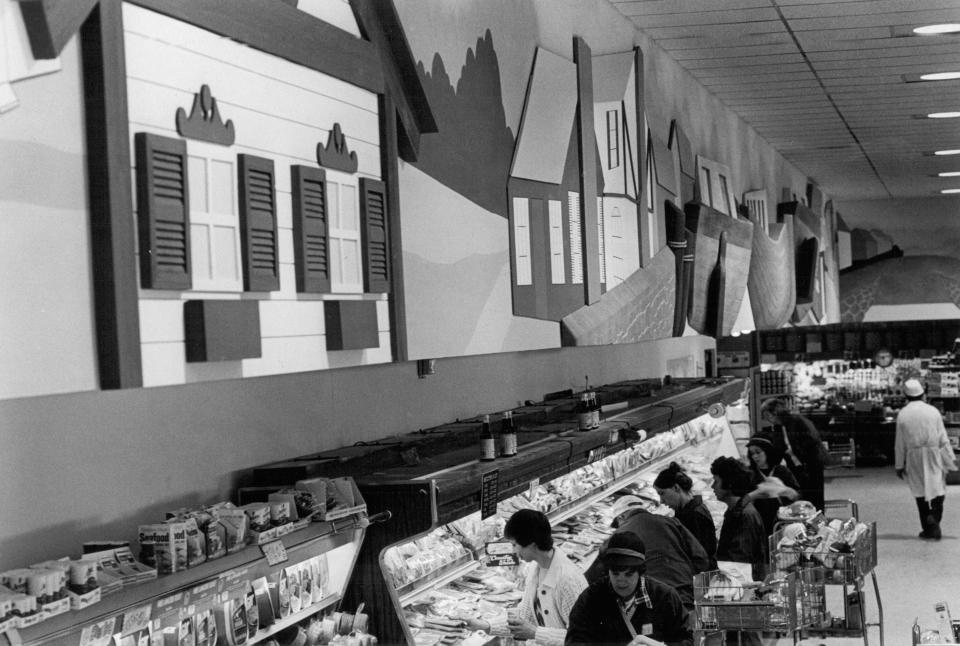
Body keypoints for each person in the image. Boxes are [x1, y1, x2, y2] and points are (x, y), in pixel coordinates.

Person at [468, 508, 586, 644]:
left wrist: (535, 633)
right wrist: (485, 625)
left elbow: (583, 638)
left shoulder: (568, 581)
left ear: (532, 544)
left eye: (514, 545)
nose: (512, 551)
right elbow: (525, 615)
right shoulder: (536, 569)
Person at [566, 530, 693, 646]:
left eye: (629, 574)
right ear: (607, 571)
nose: (621, 580)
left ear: (640, 572)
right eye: (615, 573)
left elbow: (686, 639)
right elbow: (574, 641)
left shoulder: (665, 597)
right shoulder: (590, 599)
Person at [585, 493, 712, 609]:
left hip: (652, 598)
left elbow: (596, 574)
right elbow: (701, 558)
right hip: (685, 591)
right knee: (687, 629)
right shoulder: (671, 522)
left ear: (621, 517)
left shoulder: (618, 536)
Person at [895, 378, 958, 540]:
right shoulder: (933, 411)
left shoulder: (903, 414)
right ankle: (935, 517)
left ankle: (928, 528)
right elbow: (943, 438)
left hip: (913, 455)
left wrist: (899, 465)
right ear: (923, 394)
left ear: (906, 396)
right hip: (933, 453)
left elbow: (899, 443)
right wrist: (951, 459)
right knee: (938, 487)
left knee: (919, 493)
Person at [760, 397, 827, 510]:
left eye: (768, 415)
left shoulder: (797, 421)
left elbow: (811, 444)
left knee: (815, 499)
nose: (767, 419)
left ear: (775, 412)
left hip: (811, 465)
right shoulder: (778, 427)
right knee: (803, 498)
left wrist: (799, 457)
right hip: (797, 467)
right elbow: (778, 448)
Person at [710, 456, 767, 581]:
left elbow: (739, 560)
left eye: (716, 481)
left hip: (745, 585)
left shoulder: (744, 515)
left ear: (729, 484)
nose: (712, 486)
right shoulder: (737, 509)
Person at [653, 461, 718, 561]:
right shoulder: (687, 510)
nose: (661, 501)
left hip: (702, 574)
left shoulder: (694, 515)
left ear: (676, 488)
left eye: (662, 493)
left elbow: (700, 556)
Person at [744, 433, 800, 536]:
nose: (755, 456)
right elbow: (743, 501)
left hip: (782, 522)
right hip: (758, 523)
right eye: (752, 453)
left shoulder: (782, 471)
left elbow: (796, 496)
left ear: (768, 451)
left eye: (758, 452)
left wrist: (784, 490)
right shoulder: (749, 473)